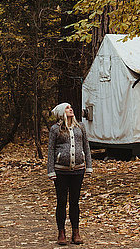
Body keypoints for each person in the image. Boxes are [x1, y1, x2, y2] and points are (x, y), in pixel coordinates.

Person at [47, 103, 92, 245]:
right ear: (61, 112)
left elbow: (86, 146)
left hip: (78, 170)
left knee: (75, 202)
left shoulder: (80, 127)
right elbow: (50, 150)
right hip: (60, 171)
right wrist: (51, 170)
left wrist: (89, 166)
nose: (71, 109)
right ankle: (61, 233)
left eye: (71, 107)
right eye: (67, 108)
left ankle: (76, 232)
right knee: (61, 202)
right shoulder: (55, 129)